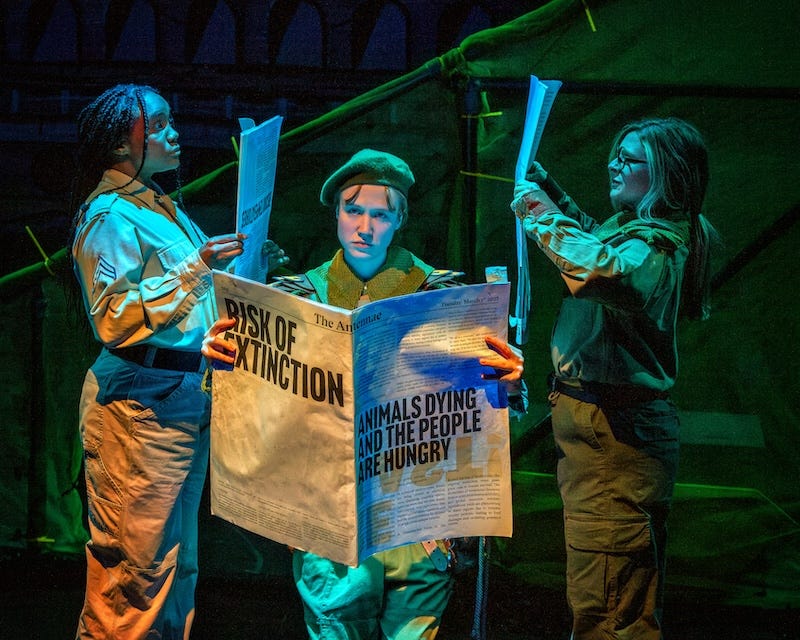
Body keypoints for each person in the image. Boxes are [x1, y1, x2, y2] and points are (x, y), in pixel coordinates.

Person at [203, 148, 525, 639]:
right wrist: (223, 367)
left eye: (380, 215)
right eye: (354, 211)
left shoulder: (441, 295)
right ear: (335, 213)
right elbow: (254, 408)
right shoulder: (296, 298)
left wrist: (508, 382)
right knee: (336, 625)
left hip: (419, 518)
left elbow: (486, 409)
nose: (365, 227)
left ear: (400, 220)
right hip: (330, 517)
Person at [69, 83, 287, 639]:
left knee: (173, 570)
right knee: (135, 577)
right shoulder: (110, 215)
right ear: (121, 142)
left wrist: (248, 267)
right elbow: (113, 317)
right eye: (159, 125)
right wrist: (197, 266)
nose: (174, 133)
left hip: (179, 399)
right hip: (140, 406)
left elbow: (191, 304)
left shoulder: (158, 207)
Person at [511, 117, 717, 639]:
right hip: (606, 434)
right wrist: (553, 192)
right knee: (611, 590)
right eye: (615, 154)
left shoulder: (656, 245)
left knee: (608, 607)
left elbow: (604, 270)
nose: (614, 165)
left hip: (613, 438)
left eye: (630, 159)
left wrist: (539, 213)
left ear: (666, 173)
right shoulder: (638, 231)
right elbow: (597, 239)